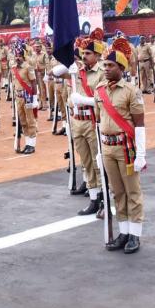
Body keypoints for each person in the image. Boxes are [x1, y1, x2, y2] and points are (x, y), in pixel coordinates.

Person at [94, 38, 147, 254]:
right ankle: (123, 231)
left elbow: (140, 125)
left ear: (122, 68)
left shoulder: (131, 91)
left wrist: (141, 154)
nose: (106, 69)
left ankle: (135, 234)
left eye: (110, 65)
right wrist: (99, 151)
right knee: (117, 192)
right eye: (105, 65)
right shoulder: (99, 90)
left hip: (126, 148)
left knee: (132, 191)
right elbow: (99, 122)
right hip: (107, 147)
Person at [62, 33, 107, 215]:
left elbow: (104, 100)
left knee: (98, 162)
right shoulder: (77, 71)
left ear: (97, 55)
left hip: (92, 121)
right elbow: (55, 73)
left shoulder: (102, 72)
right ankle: (94, 199)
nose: (84, 56)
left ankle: (104, 199)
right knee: (86, 163)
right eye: (83, 53)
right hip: (77, 121)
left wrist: (84, 100)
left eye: (88, 53)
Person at [11, 44, 38, 154]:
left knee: (30, 120)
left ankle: (32, 144)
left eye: (19, 56)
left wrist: (35, 98)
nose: (17, 58)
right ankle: (27, 143)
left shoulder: (28, 67)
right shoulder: (13, 68)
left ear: (24, 57)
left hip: (27, 96)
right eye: (16, 56)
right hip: (18, 97)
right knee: (23, 121)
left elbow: (33, 82)